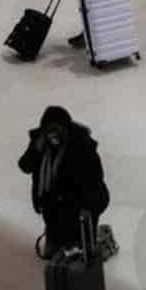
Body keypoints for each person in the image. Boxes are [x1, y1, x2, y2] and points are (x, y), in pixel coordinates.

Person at [18, 106, 110, 259]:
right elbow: (25, 166)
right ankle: (58, 236)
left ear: (66, 128)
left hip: (81, 203)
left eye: (57, 129)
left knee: (80, 254)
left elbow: (95, 180)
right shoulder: (41, 143)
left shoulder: (81, 145)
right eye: (49, 129)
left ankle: (90, 240)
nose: (53, 134)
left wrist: (86, 208)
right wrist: (35, 150)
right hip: (53, 206)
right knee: (53, 254)